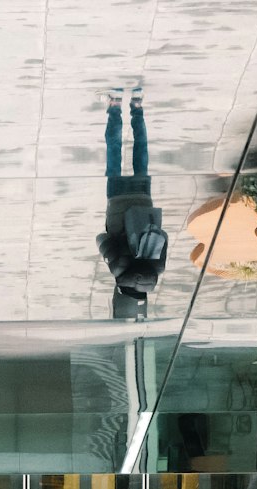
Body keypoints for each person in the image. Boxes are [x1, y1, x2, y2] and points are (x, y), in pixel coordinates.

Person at [97, 87, 168, 319]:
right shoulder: (119, 270)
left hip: (143, 204)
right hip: (117, 203)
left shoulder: (157, 269)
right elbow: (102, 239)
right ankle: (114, 105)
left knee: (141, 154)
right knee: (114, 153)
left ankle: (137, 105)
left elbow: (163, 236)